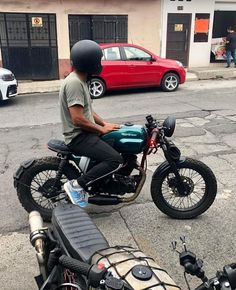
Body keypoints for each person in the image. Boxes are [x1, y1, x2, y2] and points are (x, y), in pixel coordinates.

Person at [59, 40, 123, 207]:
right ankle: (76, 186)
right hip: (78, 137)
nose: (100, 64)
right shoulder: (74, 83)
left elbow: (87, 111)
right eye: (99, 60)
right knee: (115, 160)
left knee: (116, 143)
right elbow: (78, 118)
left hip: (85, 133)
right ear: (90, 62)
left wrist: (105, 123)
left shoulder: (80, 80)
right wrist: (101, 129)